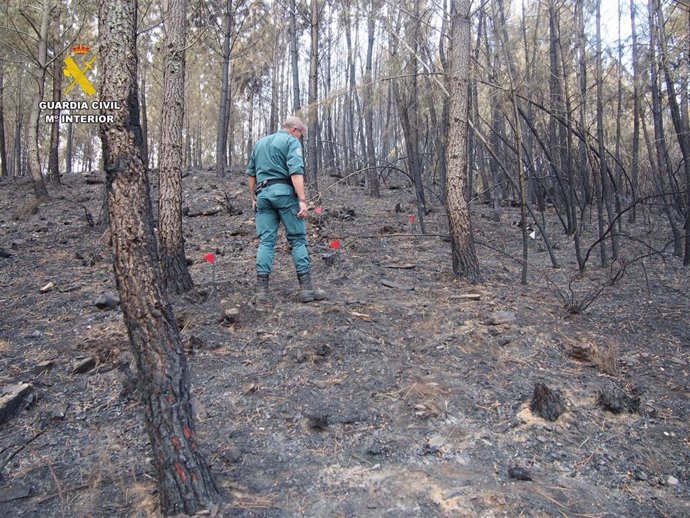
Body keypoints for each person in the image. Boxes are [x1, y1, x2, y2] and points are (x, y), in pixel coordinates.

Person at [246, 116, 326, 303]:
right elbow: (296, 172)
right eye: (301, 135)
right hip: (285, 195)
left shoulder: (260, 143)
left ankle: (262, 293)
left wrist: (253, 198)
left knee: (266, 242)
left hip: (263, 197)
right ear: (295, 130)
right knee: (298, 240)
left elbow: (251, 174)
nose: (301, 139)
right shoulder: (291, 142)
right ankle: (306, 290)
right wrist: (303, 201)